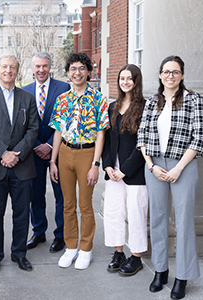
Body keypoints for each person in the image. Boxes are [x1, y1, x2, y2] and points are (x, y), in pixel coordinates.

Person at [137, 55, 203, 299]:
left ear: (182, 75)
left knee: (184, 221)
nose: (170, 76)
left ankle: (183, 276)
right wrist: (151, 165)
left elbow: (199, 138)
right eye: (166, 72)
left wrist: (178, 168)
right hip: (154, 165)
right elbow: (142, 136)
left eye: (175, 72)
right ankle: (161, 270)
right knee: (157, 218)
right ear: (160, 74)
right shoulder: (152, 102)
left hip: (183, 165)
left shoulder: (193, 99)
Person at [0, 54, 39, 276]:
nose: (8, 70)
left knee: (22, 213)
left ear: (17, 70)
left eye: (12, 67)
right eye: (4, 66)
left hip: (22, 167)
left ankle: (19, 253)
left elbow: (33, 129)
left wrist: (16, 155)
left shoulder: (27, 98)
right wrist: (4, 153)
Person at [49, 52, 109, 270]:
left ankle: (86, 249)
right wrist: (53, 161)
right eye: (73, 68)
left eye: (82, 68)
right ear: (68, 73)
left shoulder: (98, 99)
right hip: (65, 153)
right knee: (67, 204)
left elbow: (101, 133)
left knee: (85, 204)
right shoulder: (62, 99)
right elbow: (57, 131)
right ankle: (71, 246)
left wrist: (95, 164)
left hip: (87, 154)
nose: (77, 72)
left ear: (88, 72)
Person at [102, 64, 148, 276]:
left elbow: (144, 143)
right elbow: (108, 141)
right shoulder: (113, 106)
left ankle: (136, 256)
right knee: (113, 212)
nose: (125, 82)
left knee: (136, 213)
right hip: (114, 171)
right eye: (122, 78)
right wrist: (108, 165)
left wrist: (126, 170)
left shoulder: (145, 108)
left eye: (130, 78)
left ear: (136, 81)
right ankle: (118, 252)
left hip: (135, 172)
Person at [23, 52, 70, 253]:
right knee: (36, 194)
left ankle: (60, 235)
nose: (41, 70)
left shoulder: (63, 88)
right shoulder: (24, 91)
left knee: (61, 194)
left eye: (44, 66)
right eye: (38, 66)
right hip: (33, 152)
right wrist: (36, 145)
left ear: (50, 67)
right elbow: (22, 124)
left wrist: (50, 144)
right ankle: (39, 231)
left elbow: (67, 120)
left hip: (57, 151)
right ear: (33, 68)